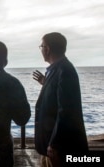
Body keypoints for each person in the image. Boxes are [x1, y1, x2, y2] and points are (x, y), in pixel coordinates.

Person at [33, 32, 88, 167]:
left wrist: (55, 144)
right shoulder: (57, 70)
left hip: (60, 149)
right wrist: (47, 84)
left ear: (48, 49)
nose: (41, 50)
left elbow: (66, 111)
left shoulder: (65, 71)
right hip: (52, 147)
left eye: (42, 46)